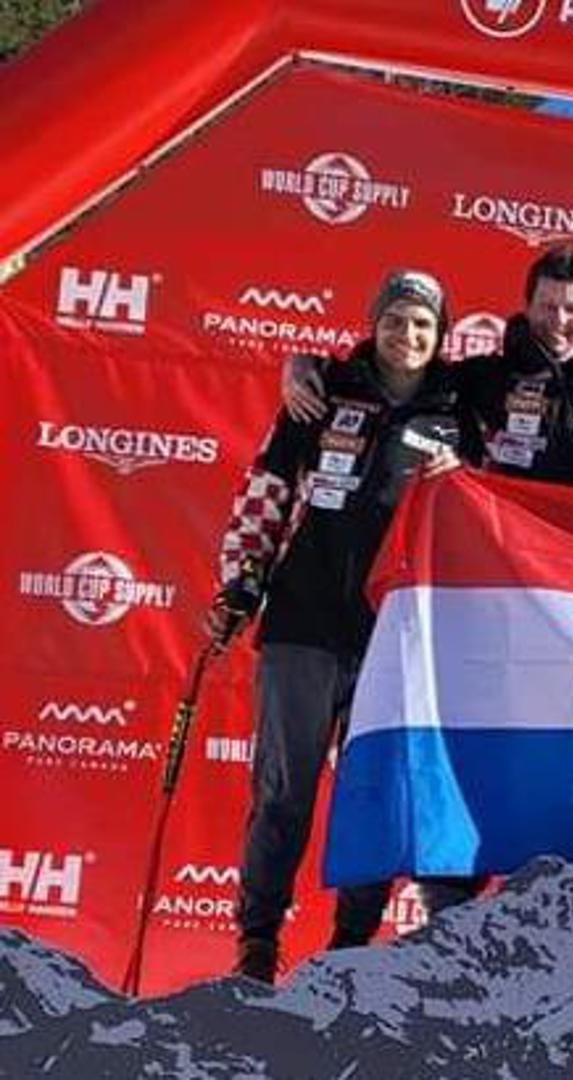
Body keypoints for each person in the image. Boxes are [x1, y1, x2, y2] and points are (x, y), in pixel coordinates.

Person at [209, 269, 480, 984]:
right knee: (283, 792)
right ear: (374, 324)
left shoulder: (460, 407)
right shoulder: (323, 390)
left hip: (393, 636)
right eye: (394, 319)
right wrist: (240, 581)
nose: (407, 334)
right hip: (302, 622)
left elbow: (489, 504)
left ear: (440, 334)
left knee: (373, 794)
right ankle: (257, 943)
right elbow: (267, 491)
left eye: (422, 323)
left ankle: (351, 944)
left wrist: (462, 472)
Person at [284, 247, 573, 489]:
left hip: (564, 566)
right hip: (491, 560)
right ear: (528, 306)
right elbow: (402, 378)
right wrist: (305, 364)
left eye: (571, 309)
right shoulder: (483, 376)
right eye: (547, 305)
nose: (558, 319)